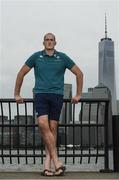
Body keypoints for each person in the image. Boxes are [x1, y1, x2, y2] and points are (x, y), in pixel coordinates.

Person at [14, 33, 83, 176]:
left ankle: (47, 165)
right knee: (43, 124)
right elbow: (21, 73)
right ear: (43, 42)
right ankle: (57, 162)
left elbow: (79, 73)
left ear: (55, 42)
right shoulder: (36, 57)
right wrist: (17, 94)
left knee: (52, 128)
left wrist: (78, 94)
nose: (49, 42)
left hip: (57, 95)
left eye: (52, 40)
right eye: (47, 40)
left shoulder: (62, 57)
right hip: (40, 94)